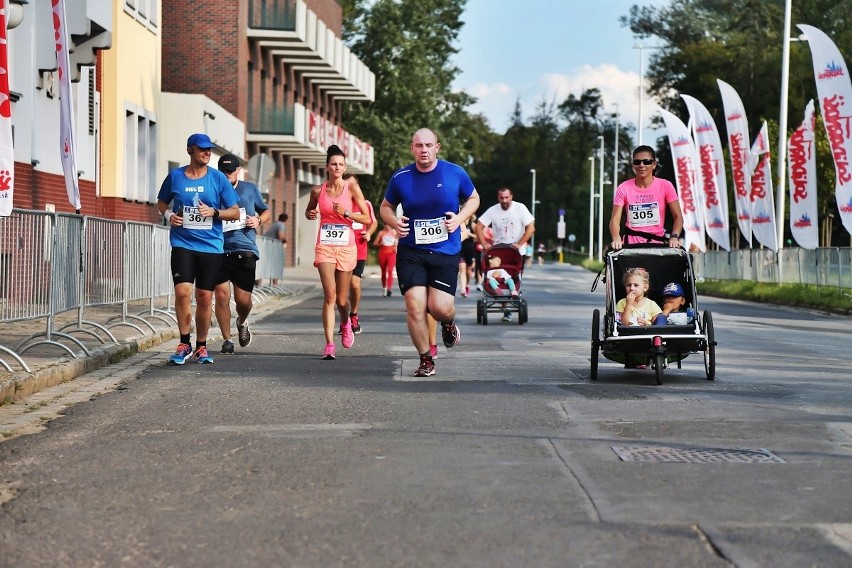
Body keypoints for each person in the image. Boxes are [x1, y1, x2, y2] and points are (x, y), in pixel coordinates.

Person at [380, 128, 480, 377]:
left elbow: (474, 198)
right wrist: (394, 222)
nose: (423, 150)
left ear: (437, 147)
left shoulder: (454, 172)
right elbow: (385, 207)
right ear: (412, 148)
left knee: (439, 307)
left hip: (445, 249)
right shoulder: (401, 177)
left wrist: (459, 219)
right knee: (414, 306)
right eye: (418, 145)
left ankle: (448, 323)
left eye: (428, 145)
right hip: (411, 250)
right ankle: (426, 359)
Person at [156, 133, 240, 365]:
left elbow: (235, 211)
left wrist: (214, 213)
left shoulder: (218, 179)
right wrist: (169, 215)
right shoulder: (175, 177)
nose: (207, 153)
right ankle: (184, 342)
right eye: (202, 149)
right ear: (190, 150)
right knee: (183, 293)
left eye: (209, 149)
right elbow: (161, 202)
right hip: (183, 243)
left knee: (204, 297)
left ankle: (201, 346)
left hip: (211, 246)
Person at [305, 144, 371, 360]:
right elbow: (309, 209)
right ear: (327, 167)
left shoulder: (351, 188)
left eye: (341, 164)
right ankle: (329, 345)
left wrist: (348, 213)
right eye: (334, 164)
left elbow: (367, 218)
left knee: (342, 300)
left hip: (346, 247)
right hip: (324, 245)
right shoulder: (318, 190)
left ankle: (345, 322)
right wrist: (311, 213)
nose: (338, 168)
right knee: (329, 295)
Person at [213, 154, 271, 354]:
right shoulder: (213, 188)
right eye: (224, 171)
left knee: (243, 301)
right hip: (219, 249)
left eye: (231, 170)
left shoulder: (250, 189)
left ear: (239, 170)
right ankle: (227, 340)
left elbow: (266, 211)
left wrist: (258, 221)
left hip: (245, 249)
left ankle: (242, 321)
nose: (227, 174)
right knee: (221, 295)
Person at [474, 187, 534, 321]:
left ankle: (510, 299)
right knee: (495, 277)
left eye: (507, 197)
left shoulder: (520, 208)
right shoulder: (493, 210)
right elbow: (478, 226)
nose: (504, 200)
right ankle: (506, 309)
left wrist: (519, 243)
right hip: (498, 252)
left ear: (511, 196)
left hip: (517, 252)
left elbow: (531, 227)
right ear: (498, 198)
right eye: (501, 198)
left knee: (514, 277)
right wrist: (485, 244)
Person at [609, 145, 684, 250]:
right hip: (631, 247)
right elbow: (615, 219)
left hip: (657, 246)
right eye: (637, 162)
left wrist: (674, 236)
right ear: (633, 165)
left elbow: (678, 216)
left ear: (654, 164)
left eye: (647, 161)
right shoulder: (623, 188)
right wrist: (616, 238)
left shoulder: (666, 186)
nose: (642, 165)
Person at [342, 173, 377, 334]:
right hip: (341, 250)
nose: (350, 188)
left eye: (352, 185)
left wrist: (369, 233)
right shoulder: (340, 202)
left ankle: (353, 314)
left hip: (359, 250)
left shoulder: (365, 204)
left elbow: (373, 222)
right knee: (340, 291)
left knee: (354, 285)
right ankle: (344, 320)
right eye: (346, 185)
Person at [373, 223, 398, 297]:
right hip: (382, 254)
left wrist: (396, 245)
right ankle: (384, 288)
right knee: (383, 272)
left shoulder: (394, 232)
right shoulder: (381, 233)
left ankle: (389, 289)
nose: (387, 226)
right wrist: (380, 244)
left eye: (388, 224)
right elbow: (374, 244)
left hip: (392, 254)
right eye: (385, 224)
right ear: (383, 225)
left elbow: (399, 242)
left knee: (390, 270)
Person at [263, 212, 288, 285]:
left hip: (266, 246)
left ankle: (263, 284)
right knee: (276, 265)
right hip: (272, 248)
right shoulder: (281, 225)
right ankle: (274, 285)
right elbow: (281, 235)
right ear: (286, 220)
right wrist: (286, 240)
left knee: (267, 265)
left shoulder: (275, 224)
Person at [458, 216, 475, 297]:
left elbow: (478, 237)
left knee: (468, 271)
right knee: (462, 269)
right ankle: (463, 289)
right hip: (460, 250)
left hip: (470, 250)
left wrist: (469, 234)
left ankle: (467, 284)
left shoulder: (473, 225)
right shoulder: (458, 224)